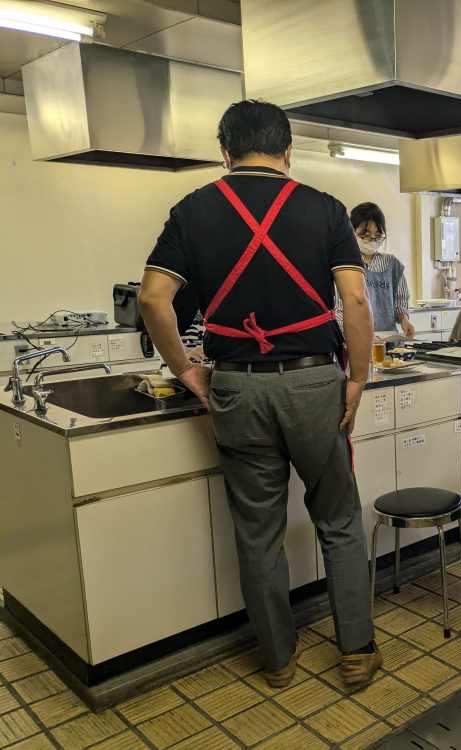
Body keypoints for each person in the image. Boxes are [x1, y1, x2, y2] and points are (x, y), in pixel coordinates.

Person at [138, 100, 382, 689]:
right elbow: (354, 302)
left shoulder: (192, 210)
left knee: (257, 532)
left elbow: (151, 299)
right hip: (313, 383)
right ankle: (356, 653)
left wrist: (187, 372)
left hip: (237, 390)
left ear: (224, 152)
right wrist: (356, 378)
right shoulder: (324, 210)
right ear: (288, 150)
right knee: (340, 521)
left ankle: (277, 661)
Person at [336, 202, 416, 337]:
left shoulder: (392, 265)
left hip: (390, 342)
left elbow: (400, 301)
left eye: (378, 235)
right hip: (358, 341)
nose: (372, 240)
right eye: (365, 235)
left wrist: (404, 320)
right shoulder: (345, 264)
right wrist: (362, 332)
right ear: (351, 232)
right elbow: (339, 309)